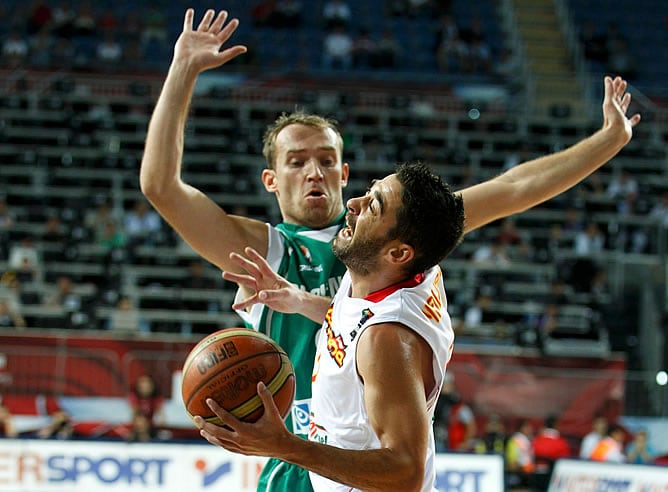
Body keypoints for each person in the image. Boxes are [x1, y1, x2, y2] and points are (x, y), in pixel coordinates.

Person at [139, 8, 640, 492]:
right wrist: (183, 68)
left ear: (345, 174)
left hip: (361, 456)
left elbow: (514, 188)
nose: (314, 172)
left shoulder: (397, 229)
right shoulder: (266, 250)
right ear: (271, 179)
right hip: (297, 456)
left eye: (326, 159)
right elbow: (161, 186)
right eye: (296, 162)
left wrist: (607, 142)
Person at [196, 162, 465, 491]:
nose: (354, 204)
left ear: (398, 253)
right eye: (369, 192)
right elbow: (357, 317)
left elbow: (405, 472)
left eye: (373, 206)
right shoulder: (390, 272)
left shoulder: (388, 340)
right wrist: (299, 299)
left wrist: (285, 446)